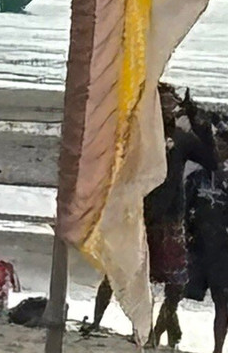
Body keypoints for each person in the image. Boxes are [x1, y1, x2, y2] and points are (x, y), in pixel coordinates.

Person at [88, 83, 217, 347]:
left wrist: (197, 120)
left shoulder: (180, 139)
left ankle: (156, 334)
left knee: (176, 283)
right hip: (139, 212)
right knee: (119, 268)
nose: (168, 108)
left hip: (170, 217)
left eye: (171, 104)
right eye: (162, 103)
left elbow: (211, 160)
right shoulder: (140, 134)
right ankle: (95, 323)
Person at [185, 117, 228, 353]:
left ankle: (217, 349)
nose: (220, 151)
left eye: (223, 146)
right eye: (217, 146)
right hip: (200, 246)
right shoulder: (197, 177)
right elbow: (184, 208)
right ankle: (158, 333)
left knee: (223, 302)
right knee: (175, 291)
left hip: (224, 249)